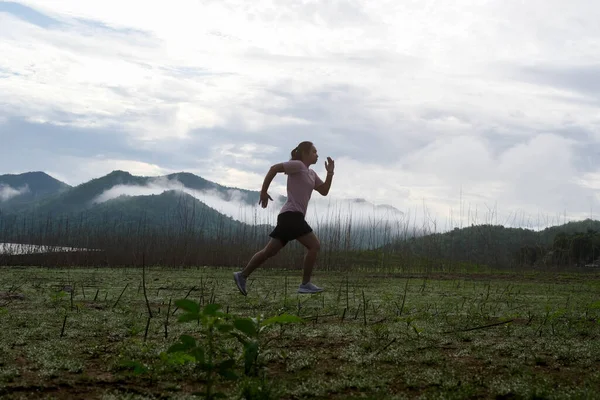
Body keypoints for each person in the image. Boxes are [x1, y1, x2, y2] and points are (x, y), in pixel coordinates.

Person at [233, 141, 335, 295]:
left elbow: (325, 191)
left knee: (269, 252)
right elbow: (274, 168)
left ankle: (242, 275)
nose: (317, 155)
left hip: (290, 217)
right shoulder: (298, 165)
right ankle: (305, 284)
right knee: (314, 245)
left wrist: (330, 173)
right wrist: (263, 191)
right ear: (305, 153)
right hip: (291, 215)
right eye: (314, 152)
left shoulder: (312, 174)